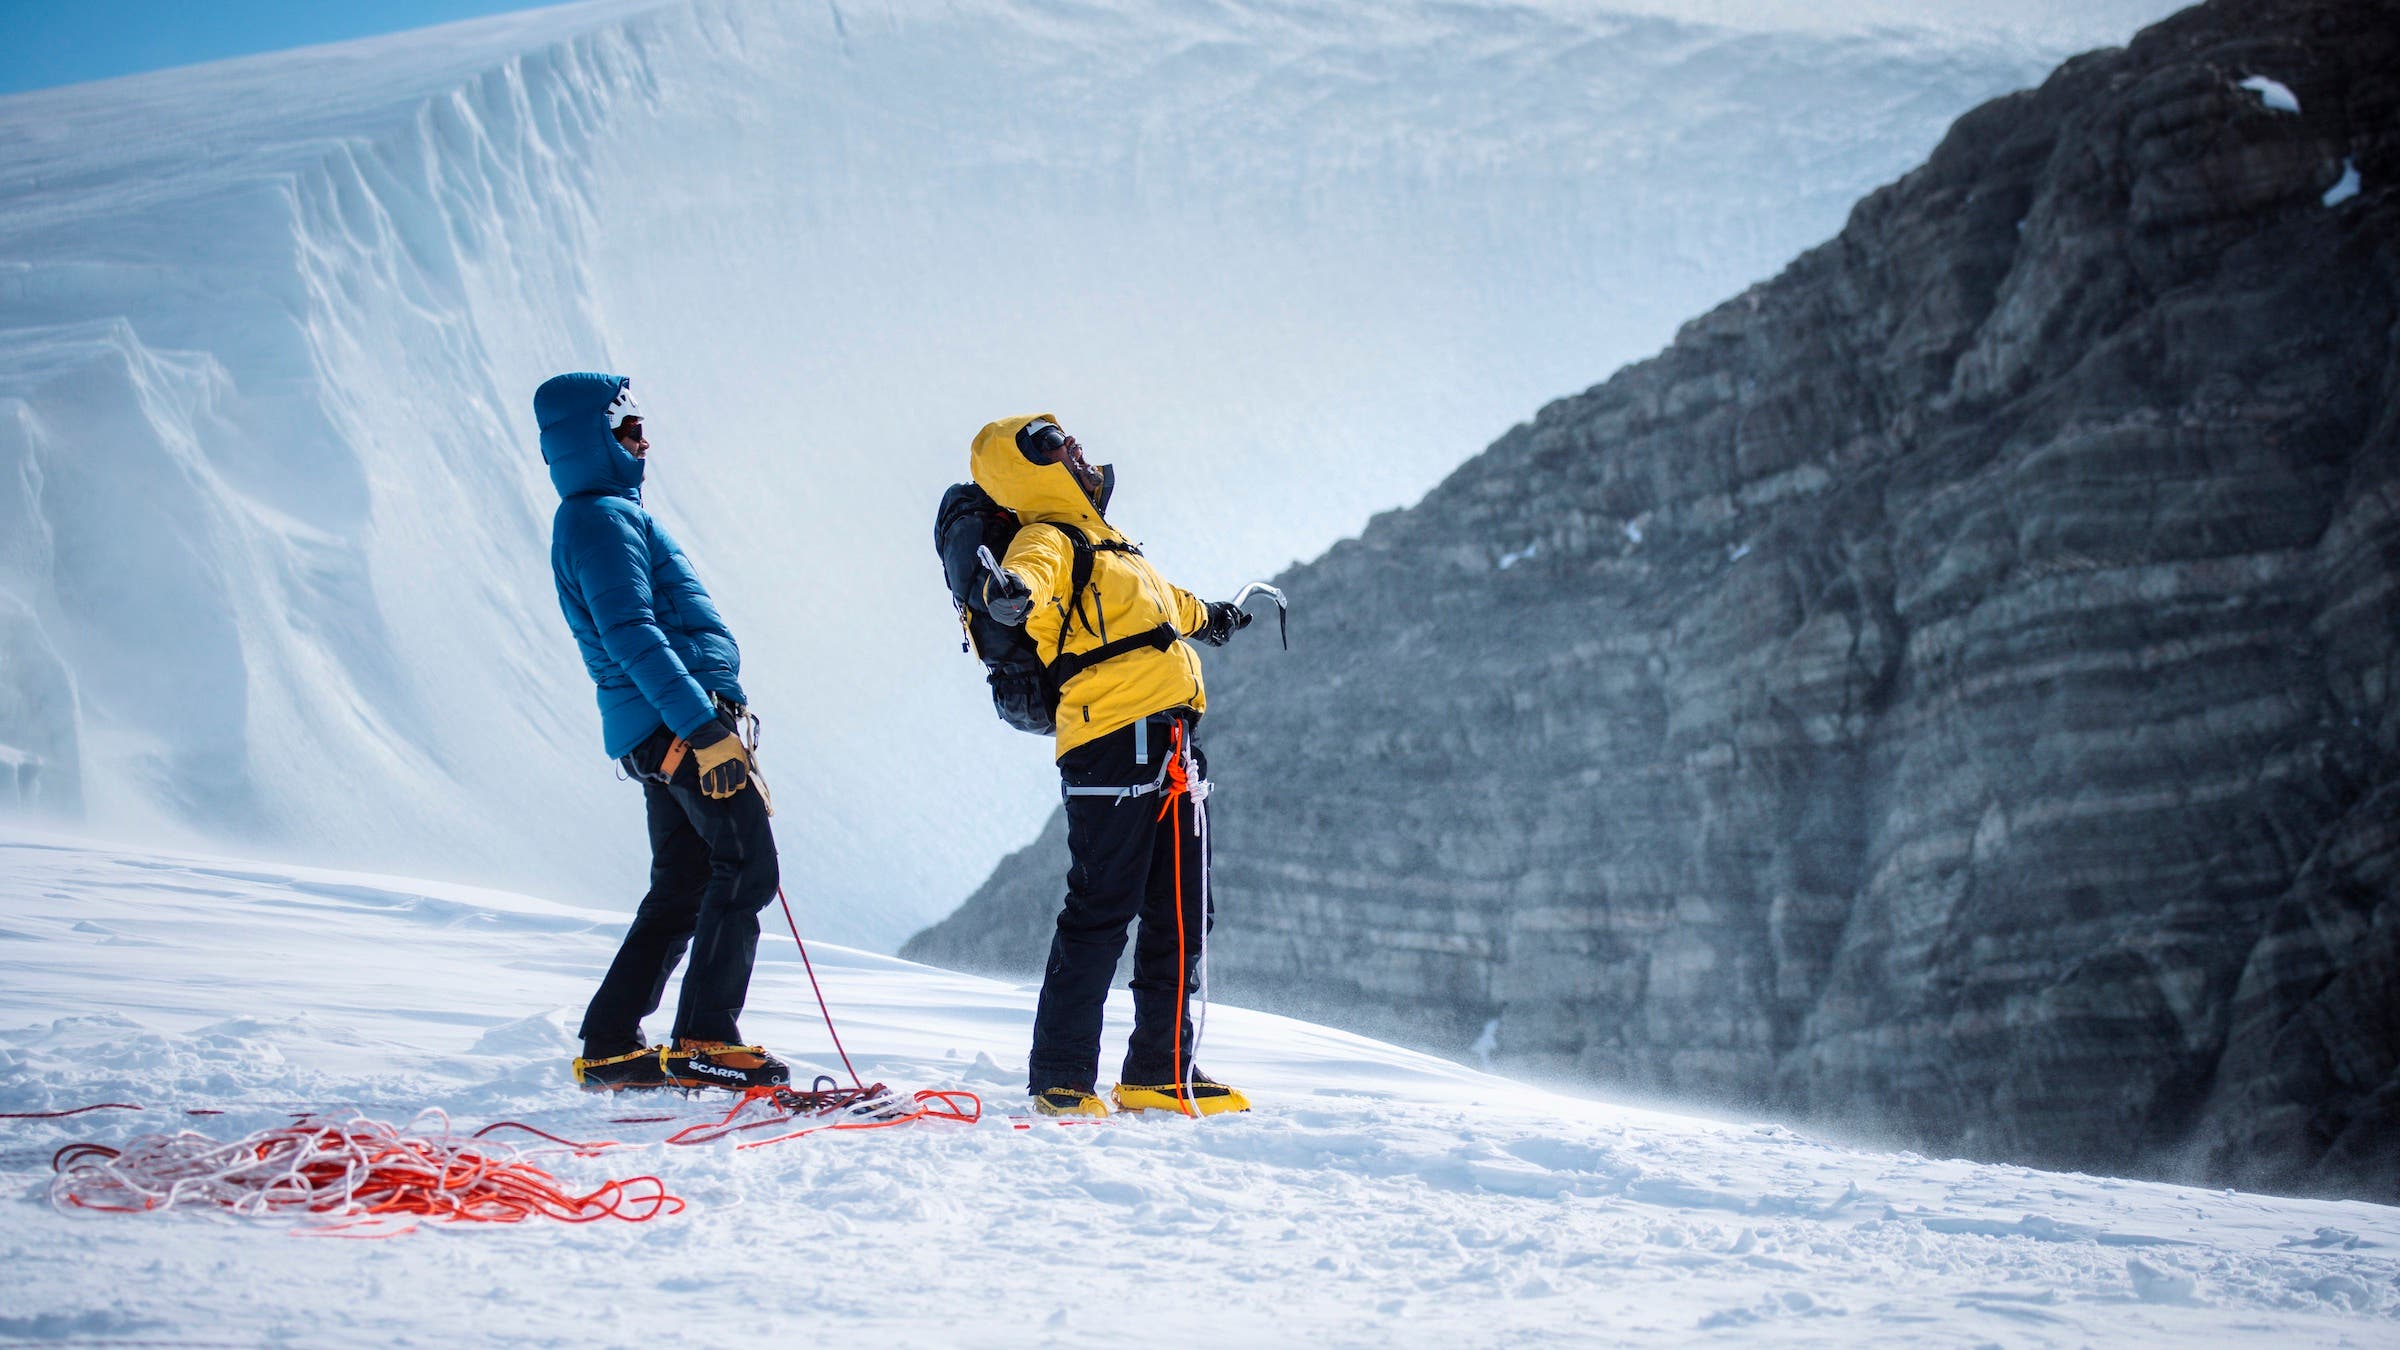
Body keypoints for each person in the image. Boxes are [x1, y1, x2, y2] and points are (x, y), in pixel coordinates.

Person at [971, 413, 1258, 1117]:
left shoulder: (1109, 544)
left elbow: (1163, 606)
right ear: (1026, 469)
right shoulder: (1046, 536)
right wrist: (1007, 593)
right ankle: (1061, 1079)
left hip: (1172, 741)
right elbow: (1024, 580)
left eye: (1068, 438)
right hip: (1111, 737)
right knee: (1102, 909)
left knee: (1184, 910)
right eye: (1051, 444)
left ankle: (1160, 1072)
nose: (1073, 448)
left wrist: (1212, 616)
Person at [535, 372, 789, 1093]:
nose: (645, 442)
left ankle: (612, 1042)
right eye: (629, 431)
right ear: (594, 439)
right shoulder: (601, 519)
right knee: (746, 863)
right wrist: (705, 730)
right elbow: (632, 633)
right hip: (678, 726)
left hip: (658, 728)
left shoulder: (604, 515)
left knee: (683, 883)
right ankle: (706, 1035)